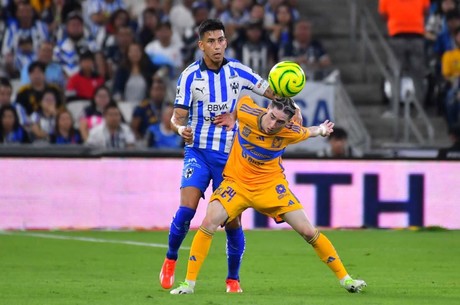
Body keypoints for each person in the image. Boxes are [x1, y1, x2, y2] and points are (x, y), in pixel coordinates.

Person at [159, 18, 302, 293]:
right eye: (211, 41)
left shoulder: (238, 72)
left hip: (230, 159)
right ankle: (170, 258)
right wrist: (181, 130)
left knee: (231, 221)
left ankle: (232, 279)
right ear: (201, 45)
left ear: (226, 42)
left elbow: (272, 92)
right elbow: (175, 119)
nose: (217, 46)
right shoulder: (189, 76)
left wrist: (292, 104)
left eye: (221, 40)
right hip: (198, 152)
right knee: (187, 209)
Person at [170, 96, 367, 295]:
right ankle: (188, 284)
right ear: (267, 109)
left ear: (288, 123)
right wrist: (232, 117)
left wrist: (323, 130)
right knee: (208, 223)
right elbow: (241, 101)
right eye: (272, 117)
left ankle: (346, 279)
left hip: (270, 186)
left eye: (280, 122)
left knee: (308, 231)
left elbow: (312, 131)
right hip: (236, 183)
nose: (273, 124)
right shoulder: (248, 111)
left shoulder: (291, 132)